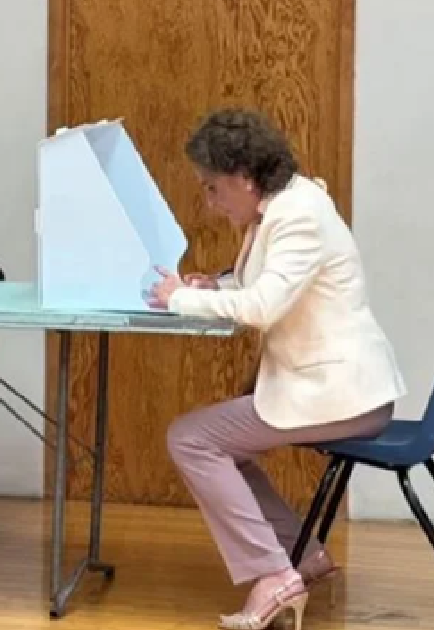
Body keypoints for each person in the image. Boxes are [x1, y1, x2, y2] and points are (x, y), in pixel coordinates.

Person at [148, 109, 406, 630]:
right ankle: (302, 555)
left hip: (342, 395)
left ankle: (274, 576)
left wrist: (179, 300)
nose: (211, 202)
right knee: (219, 445)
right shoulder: (283, 205)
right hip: (335, 389)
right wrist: (214, 286)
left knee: (191, 439)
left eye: (213, 188)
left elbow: (264, 306)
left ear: (244, 177)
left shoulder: (297, 214)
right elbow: (267, 284)